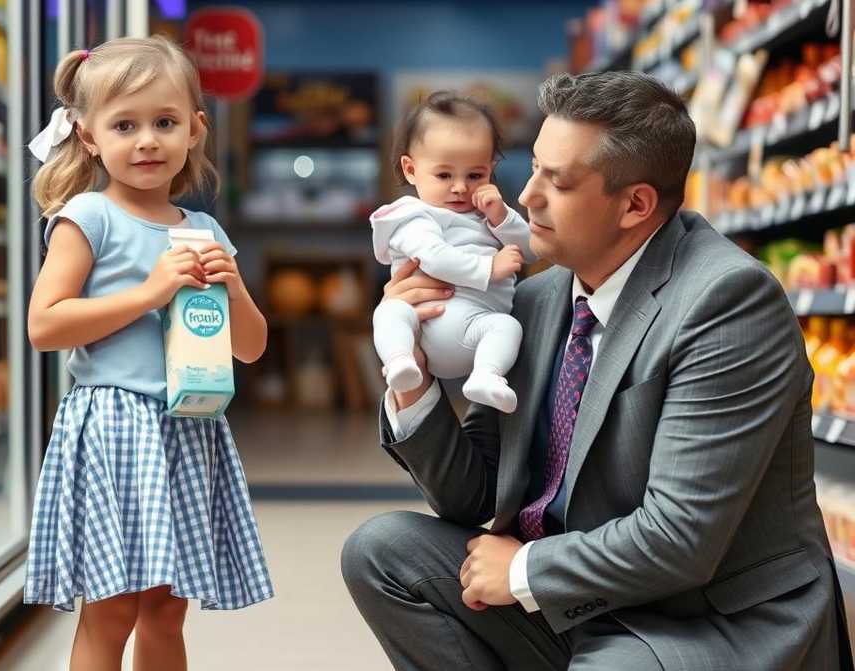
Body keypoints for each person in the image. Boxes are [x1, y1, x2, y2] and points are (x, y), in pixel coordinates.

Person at [342, 71, 854, 670]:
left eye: (556, 182)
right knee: (380, 553)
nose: (526, 196)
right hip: (579, 600)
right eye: (532, 168)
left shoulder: (727, 301)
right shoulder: (537, 299)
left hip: (701, 618)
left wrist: (524, 570)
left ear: (635, 204)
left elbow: (681, 538)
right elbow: (473, 495)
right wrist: (417, 376)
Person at [23, 36, 273, 671]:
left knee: (167, 607)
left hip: (188, 429)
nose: (146, 141)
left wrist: (234, 286)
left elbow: (250, 348)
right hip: (114, 428)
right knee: (112, 607)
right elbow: (45, 326)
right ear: (87, 136)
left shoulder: (205, 230)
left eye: (164, 123)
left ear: (195, 129)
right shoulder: (88, 217)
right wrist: (151, 291)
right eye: (124, 125)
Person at [371, 91, 534, 414]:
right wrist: (489, 268)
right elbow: (435, 257)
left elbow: (530, 250)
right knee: (389, 314)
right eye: (444, 175)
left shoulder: (487, 214)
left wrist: (503, 218)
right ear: (410, 169)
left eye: (475, 175)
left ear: (491, 168)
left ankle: (487, 376)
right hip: (424, 326)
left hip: (479, 323)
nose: (460, 187)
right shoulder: (411, 215)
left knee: (507, 327)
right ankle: (400, 361)